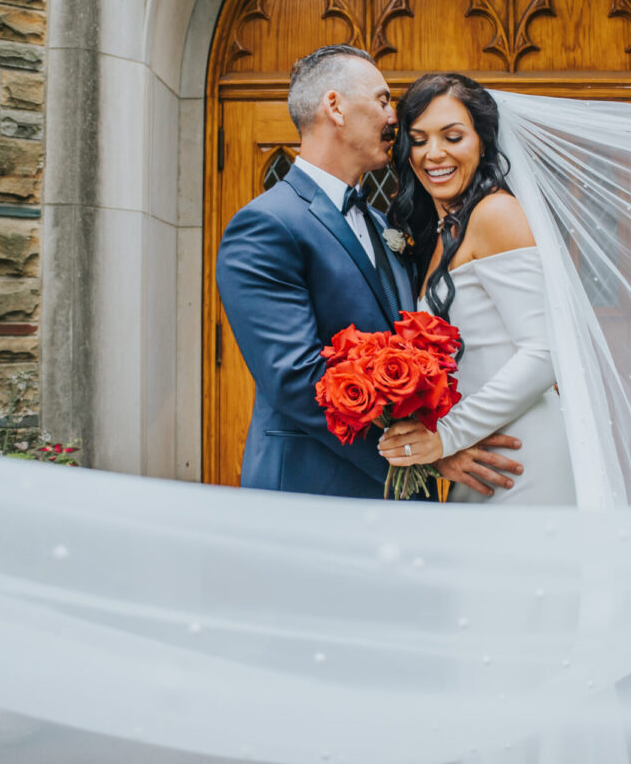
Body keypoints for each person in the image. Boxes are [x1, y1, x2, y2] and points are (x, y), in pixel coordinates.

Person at [215, 46, 524, 499]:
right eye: (382, 100)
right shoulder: (267, 224)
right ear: (335, 107)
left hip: (400, 492)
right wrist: (427, 454)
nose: (393, 118)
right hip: (316, 488)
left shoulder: (384, 224)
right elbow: (296, 378)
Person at [377, 73, 577, 505]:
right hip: (479, 449)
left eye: (452, 136)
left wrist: (445, 436)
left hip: (519, 454)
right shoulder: (444, 230)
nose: (434, 154)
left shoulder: (496, 214)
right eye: (419, 139)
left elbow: (544, 353)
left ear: (483, 142)